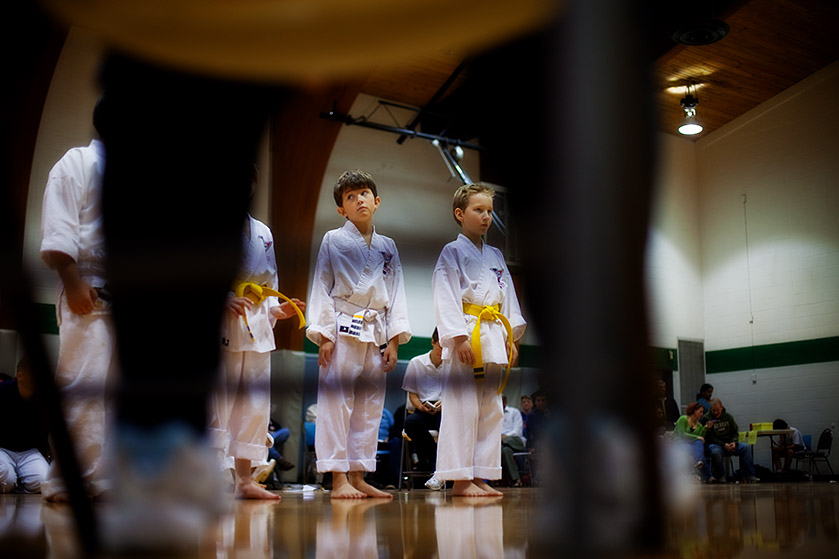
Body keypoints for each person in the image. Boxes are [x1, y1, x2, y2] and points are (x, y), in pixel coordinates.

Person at [306, 169, 411, 499]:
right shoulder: (333, 240)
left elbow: (396, 294)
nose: (358, 200)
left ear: (376, 201)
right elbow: (322, 287)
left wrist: (393, 341)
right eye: (350, 197)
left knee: (370, 406)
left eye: (364, 194)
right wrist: (325, 335)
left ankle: (359, 475)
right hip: (342, 327)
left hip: (376, 332)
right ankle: (338, 478)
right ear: (342, 209)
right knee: (336, 404)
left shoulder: (388, 246)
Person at [209, 168, 306, 500]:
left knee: (253, 405)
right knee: (218, 402)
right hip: (223, 324)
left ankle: (245, 479)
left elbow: (269, 284)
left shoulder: (263, 232)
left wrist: (279, 310)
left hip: (257, 325)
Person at [38, 97, 118, 502]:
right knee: (83, 387)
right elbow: (59, 227)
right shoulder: (77, 162)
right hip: (88, 289)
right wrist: (71, 280)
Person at [433, 183, 526, 497]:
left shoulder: (496, 255)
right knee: (463, 408)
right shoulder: (452, 252)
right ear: (460, 214)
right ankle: (460, 479)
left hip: (494, 335)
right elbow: (445, 296)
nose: (486, 217)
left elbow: (508, 300)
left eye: (489, 211)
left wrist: (512, 339)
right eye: (478, 210)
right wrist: (458, 338)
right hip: (467, 333)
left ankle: (482, 475)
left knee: (491, 408)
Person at [0, 357, 50, 493]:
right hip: (2, 449)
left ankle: (20, 484)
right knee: (5, 479)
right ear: (20, 376)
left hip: (28, 451)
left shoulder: (43, 399)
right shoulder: (2, 391)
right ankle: (13, 481)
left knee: (44, 481)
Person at [401, 329, 444, 475]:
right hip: (422, 408)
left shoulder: (452, 365)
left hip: (443, 409)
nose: (443, 352)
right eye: (440, 346)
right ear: (433, 342)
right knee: (410, 423)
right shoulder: (417, 363)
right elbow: (412, 393)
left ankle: (436, 464)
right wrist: (421, 406)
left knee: (452, 424)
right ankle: (434, 460)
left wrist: (444, 403)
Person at [701, 398, 759, 483]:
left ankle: (748, 475)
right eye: (713, 411)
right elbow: (709, 437)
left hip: (729, 443)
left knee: (746, 447)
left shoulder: (728, 417)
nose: (716, 412)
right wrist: (723, 445)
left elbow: (735, 432)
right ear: (710, 409)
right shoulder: (706, 418)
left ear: (722, 407)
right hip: (716, 444)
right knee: (716, 452)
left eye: (718, 410)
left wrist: (734, 442)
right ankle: (721, 476)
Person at [672, 402, 707, 481]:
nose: (702, 414)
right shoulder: (683, 419)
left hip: (691, 443)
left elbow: (700, 437)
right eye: (700, 411)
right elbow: (682, 434)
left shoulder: (699, 425)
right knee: (691, 448)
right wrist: (697, 437)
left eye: (702, 412)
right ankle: (703, 472)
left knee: (699, 443)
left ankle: (699, 462)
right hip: (680, 442)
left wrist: (705, 428)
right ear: (694, 411)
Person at [501, 394, 527, 487]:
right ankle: (516, 479)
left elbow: (518, 431)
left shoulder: (514, 412)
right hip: (503, 444)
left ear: (505, 401)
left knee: (503, 444)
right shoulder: (494, 414)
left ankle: (502, 443)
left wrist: (505, 437)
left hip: (515, 440)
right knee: (505, 450)